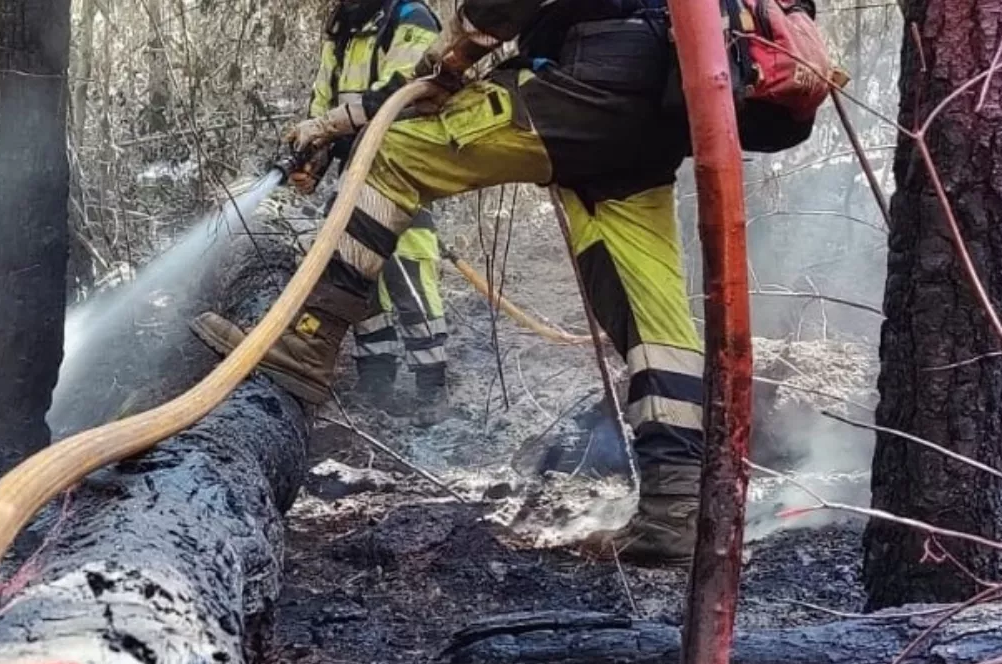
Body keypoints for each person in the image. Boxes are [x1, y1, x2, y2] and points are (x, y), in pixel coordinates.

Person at [195, 0, 706, 564]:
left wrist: (453, 56)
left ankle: (308, 340)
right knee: (650, 313)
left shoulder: (405, 19)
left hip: (586, 86)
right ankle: (676, 507)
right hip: (655, 114)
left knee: (391, 157)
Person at [301, 0, 452, 413]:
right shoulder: (342, 29)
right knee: (353, 275)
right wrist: (312, 155)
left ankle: (431, 390)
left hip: (401, 171)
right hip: (353, 175)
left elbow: (399, 92)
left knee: (410, 277)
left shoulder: (410, 19)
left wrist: (328, 126)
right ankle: (376, 383)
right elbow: (322, 100)